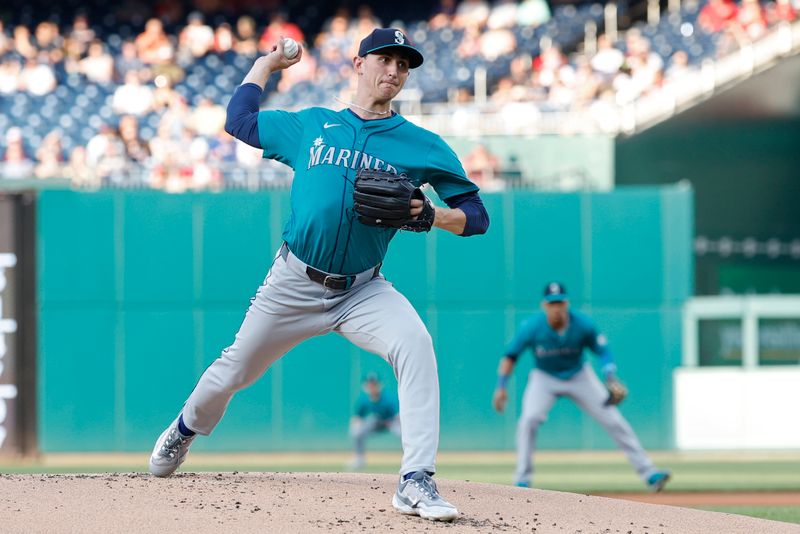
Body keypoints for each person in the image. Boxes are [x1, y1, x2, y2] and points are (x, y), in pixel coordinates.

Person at [148, 27, 490, 523]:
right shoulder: (311, 124)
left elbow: (477, 217)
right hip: (293, 281)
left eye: (403, 64)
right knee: (235, 368)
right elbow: (238, 121)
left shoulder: (422, 145)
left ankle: (416, 480)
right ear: (358, 64)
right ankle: (184, 429)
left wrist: (431, 213)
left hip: (363, 289)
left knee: (416, 344)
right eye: (384, 59)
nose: (393, 70)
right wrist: (267, 66)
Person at [492, 282, 671, 492]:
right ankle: (522, 480)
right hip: (544, 378)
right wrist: (501, 386)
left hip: (579, 375)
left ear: (566, 303)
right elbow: (510, 357)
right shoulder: (532, 327)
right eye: (552, 303)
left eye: (560, 302)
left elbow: (603, 351)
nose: (556, 307)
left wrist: (610, 376)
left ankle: (649, 473)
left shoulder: (583, 324)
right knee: (528, 419)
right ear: (544, 305)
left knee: (614, 420)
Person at [348, 372, 401, 471]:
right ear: (365, 386)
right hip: (374, 423)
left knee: (403, 433)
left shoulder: (387, 398)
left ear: (379, 385)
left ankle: (409, 459)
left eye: (374, 384)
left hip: (390, 422)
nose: (372, 387)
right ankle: (359, 459)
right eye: (369, 384)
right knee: (356, 430)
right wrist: (356, 425)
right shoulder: (363, 399)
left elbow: (398, 416)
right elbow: (357, 417)